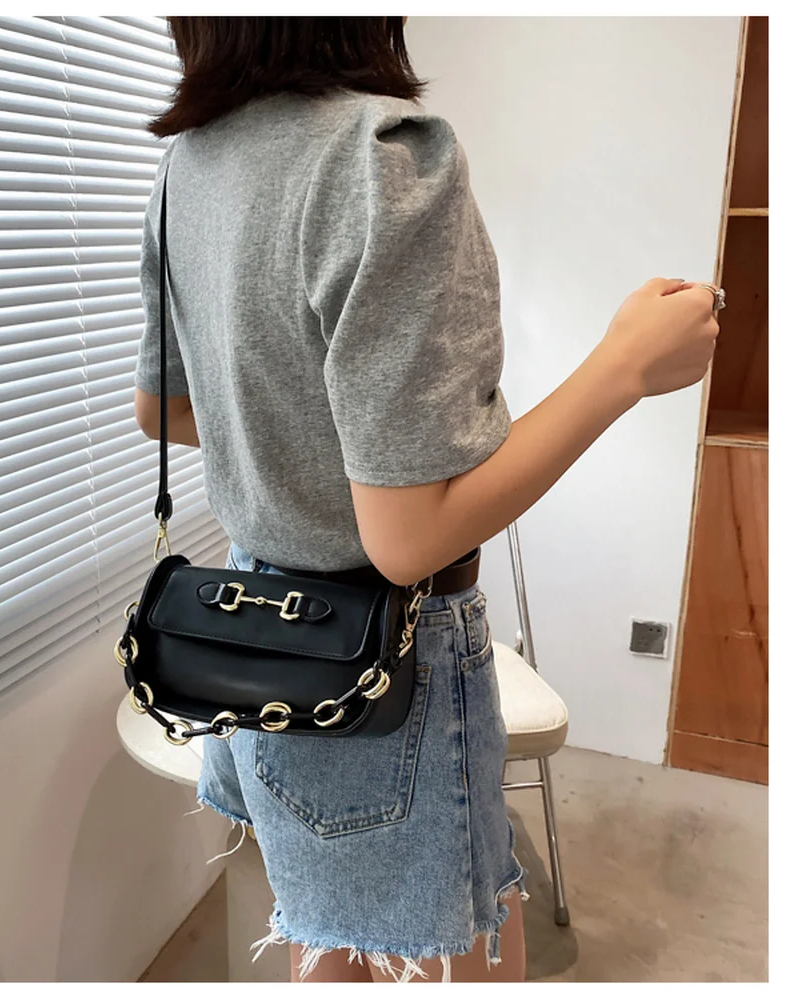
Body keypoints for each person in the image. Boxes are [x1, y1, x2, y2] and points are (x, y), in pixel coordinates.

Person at [133, 16, 720, 984]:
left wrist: (315, 447)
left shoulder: (189, 166)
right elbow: (409, 540)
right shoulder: (381, 159)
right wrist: (623, 368)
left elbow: (166, 411)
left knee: (326, 928)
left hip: (255, 624)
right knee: (451, 950)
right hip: (382, 647)